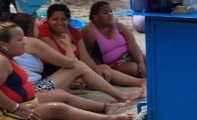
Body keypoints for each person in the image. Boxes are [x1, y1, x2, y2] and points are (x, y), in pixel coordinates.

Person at [0, 22, 133, 120]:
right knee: (58, 109)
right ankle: (111, 119)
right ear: (3, 44)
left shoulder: (9, 57)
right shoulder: (2, 61)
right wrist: (17, 109)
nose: (24, 42)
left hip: (25, 101)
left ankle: (106, 107)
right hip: (7, 113)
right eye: (19, 40)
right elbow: (69, 63)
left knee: (60, 94)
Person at [9, 14, 141, 103]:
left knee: (92, 68)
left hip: (25, 87)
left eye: (63, 19)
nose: (59, 23)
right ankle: (120, 96)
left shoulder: (11, 42)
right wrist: (68, 47)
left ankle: (133, 86)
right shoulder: (32, 42)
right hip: (32, 89)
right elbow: (71, 63)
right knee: (79, 67)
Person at [38, 4, 143, 88]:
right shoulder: (44, 31)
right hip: (53, 72)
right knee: (92, 72)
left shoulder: (74, 32)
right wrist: (69, 49)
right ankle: (122, 94)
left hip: (73, 67)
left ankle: (141, 82)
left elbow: (85, 57)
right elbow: (60, 61)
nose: (59, 23)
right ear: (48, 19)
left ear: (69, 20)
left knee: (103, 69)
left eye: (63, 19)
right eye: (55, 19)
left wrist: (96, 70)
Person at [82, 1, 145, 79]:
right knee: (134, 68)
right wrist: (97, 68)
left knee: (149, 60)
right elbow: (88, 53)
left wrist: (140, 62)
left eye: (111, 12)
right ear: (95, 17)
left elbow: (133, 45)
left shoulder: (119, 26)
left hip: (128, 55)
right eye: (105, 13)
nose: (110, 15)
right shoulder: (89, 31)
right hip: (111, 64)